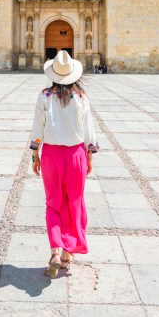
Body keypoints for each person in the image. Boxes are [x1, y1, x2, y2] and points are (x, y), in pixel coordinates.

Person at [30, 50, 98, 278]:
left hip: (51, 156)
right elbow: (90, 132)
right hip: (76, 156)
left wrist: (35, 155)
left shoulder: (44, 96)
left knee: (53, 204)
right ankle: (68, 252)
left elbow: (37, 129)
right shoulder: (82, 97)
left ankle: (56, 251)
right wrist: (89, 156)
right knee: (74, 202)